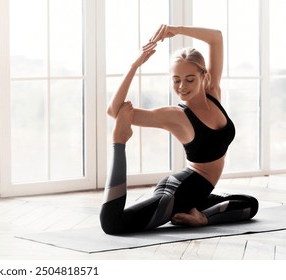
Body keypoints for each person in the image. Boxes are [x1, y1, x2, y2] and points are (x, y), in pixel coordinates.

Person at [100, 25, 259, 235]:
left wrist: (176, 30)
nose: (182, 86)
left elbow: (216, 38)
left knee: (249, 204)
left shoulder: (214, 94)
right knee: (114, 224)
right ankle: (118, 143)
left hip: (198, 192)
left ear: (203, 75)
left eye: (189, 79)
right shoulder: (177, 116)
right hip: (178, 193)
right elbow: (114, 110)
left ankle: (200, 216)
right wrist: (134, 65)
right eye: (176, 80)